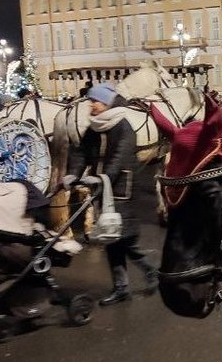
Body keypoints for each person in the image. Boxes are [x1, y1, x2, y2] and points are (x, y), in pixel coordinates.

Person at [63, 83, 157, 305]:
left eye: (94, 101)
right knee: (111, 239)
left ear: (105, 103)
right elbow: (81, 152)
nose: (91, 106)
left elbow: (120, 157)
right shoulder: (94, 127)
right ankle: (121, 287)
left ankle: (150, 271)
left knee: (124, 239)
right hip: (104, 189)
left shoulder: (122, 125)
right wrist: (72, 174)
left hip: (123, 188)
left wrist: (103, 177)